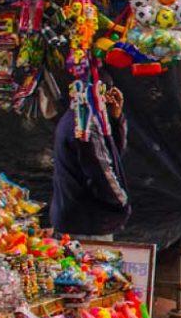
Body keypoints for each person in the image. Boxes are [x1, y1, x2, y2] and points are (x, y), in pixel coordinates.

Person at [51, 84, 130, 239]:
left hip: (73, 218)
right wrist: (122, 202)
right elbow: (102, 172)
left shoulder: (76, 118)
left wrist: (115, 118)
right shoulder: (85, 125)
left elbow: (111, 156)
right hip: (87, 223)